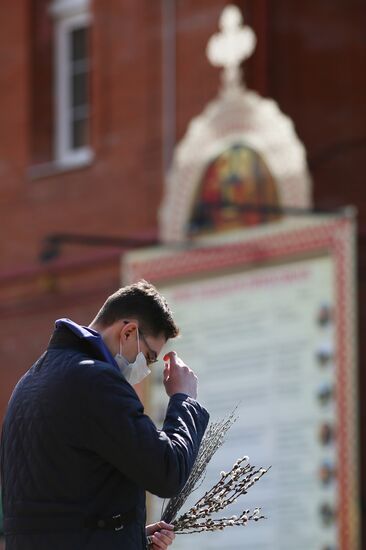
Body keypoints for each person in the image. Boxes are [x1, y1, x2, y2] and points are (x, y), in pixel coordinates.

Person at [0, 281, 209, 549]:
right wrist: (184, 399)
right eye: (149, 356)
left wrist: (127, 535)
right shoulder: (96, 381)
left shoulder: (30, 381)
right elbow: (167, 472)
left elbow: (57, 508)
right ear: (129, 332)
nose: (146, 368)